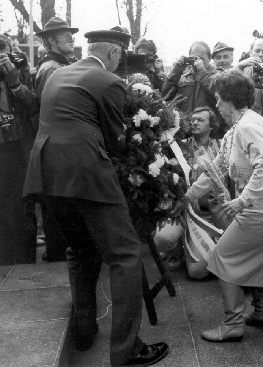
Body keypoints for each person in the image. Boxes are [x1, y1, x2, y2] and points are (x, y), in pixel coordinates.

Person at [23, 28, 168, 365]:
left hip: (46, 174)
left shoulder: (57, 74)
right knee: (126, 256)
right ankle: (127, 351)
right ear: (115, 53)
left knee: (80, 250)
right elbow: (115, 139)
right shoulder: (109, 82)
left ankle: (85, 331)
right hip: (87, 173)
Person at [172, 69, 263, 342]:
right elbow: (217, 168)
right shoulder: (240, 126)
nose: (216, 105)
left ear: (230, 99)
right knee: (253, 260)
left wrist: (242, 200)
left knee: (222, 258)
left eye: (218, 99)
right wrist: (188, 197)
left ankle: (232, 324)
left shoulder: (248, 126)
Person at [155, 106, 227, 278]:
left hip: (209, 214)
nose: (195, 123)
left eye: (201, 120)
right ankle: (177, 249)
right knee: (161, 239)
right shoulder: (178, 146)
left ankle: (201, 245)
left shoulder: (221, 146)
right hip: (183, 209)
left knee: (197, 273)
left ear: (212, 126)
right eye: (193, 119)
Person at [0, 32, 38, 266]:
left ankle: (27, 262)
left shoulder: (19, 69)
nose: (1, 59)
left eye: (4, 53)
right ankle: (7, 263)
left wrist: (15, 82)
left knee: (24, 208)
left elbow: (33, 107)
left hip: (19, 149)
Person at [34, 16, 79, 262]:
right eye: (64, 34)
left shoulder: (63, 64)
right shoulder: (50, 68)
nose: (71, 37)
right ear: (49, 40)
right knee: (58, 206)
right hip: (56, 146)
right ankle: (58, 258)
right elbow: (46, 111)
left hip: (62, 144)